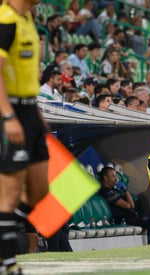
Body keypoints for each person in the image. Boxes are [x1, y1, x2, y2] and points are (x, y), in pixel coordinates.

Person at [0, 0, 50, 273]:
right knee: (8, 194)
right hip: (11, 109)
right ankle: (8, 262)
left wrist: (37, 113)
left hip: (31, 109)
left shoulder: (29, 19)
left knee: (40, 190)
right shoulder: (5, 20)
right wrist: (8, 115)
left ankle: (3, 231)